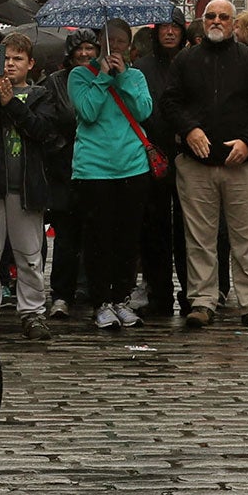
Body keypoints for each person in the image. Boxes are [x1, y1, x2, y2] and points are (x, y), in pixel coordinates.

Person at [165, 0, 248, 329]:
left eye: (223, 17)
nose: (216, 21)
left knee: (246, 237)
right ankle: (202, 300)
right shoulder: (186, 60)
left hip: (240, 164)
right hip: (196, 164)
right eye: (210, 16)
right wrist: (189, 129)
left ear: (233, 23)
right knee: (199, 237)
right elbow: (169, 103)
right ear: (202, 22)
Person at [0, 31, 61, 338]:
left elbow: (42, 130)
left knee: (30, 255)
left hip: (26, 187)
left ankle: (32, 312)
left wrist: (13, 103)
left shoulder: (40, 96)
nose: (9, 64)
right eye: (5, 58)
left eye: (17, 59)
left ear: (30, 63)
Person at [69, 30, 156, 330]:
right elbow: (87, 111)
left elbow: (144, 112)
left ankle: (121, 298)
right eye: (109, 41)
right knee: (98, 238)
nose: (114, 46)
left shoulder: (136, 77)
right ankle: (101, 302)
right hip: (94, 169)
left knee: (127, 238)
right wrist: (104, 78)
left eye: (120, 41)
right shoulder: (80, 76)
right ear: (98, 46)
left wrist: (121, 80)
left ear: (129, 47)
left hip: (132, 167)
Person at [135, 11, 190, 318]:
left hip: (186, 154)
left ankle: (190, 290)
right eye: (164, 28)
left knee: (187, 228)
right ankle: (158, 292)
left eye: (175, 28)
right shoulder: (143, 68)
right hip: (153, 154)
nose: (170, 33)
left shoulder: (192, 63)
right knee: (154, 229)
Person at [42, 30, 100, 318]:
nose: (86, 54)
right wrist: (64, 148)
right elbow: (47, 121)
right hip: (65, 168)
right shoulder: (55, 82)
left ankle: (90, 288)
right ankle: (61, 293)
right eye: (81, 48)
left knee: (94, 232)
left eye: (91, 48)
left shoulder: (101, 79)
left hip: (97, 166)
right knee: (65, 237)